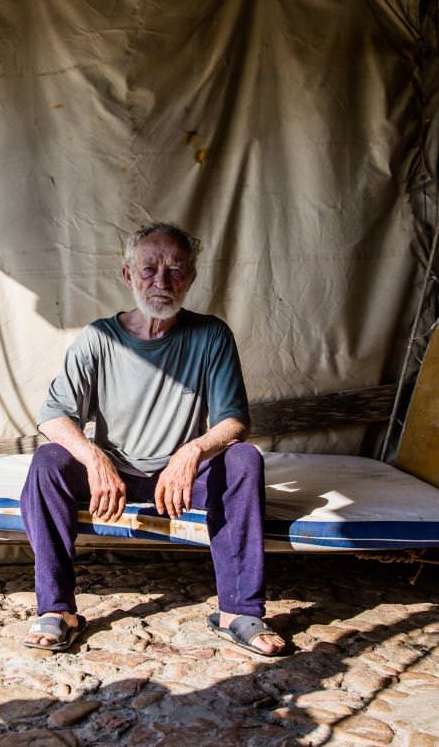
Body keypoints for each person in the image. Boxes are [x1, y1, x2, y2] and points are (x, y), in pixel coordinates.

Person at [20, 223, 285, 656]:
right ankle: (57, 609)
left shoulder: (211, 335)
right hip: (114, 478)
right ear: (127, 276)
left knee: (243, 460)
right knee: (49, 460)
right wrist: (94, 458)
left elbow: (234, 420)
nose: (161, 282)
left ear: (191, 279)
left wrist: (192, 450)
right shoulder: (99, 338)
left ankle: (238, 611)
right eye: (149, 269)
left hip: (177, 480)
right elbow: (54, 417)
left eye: (175, 271)